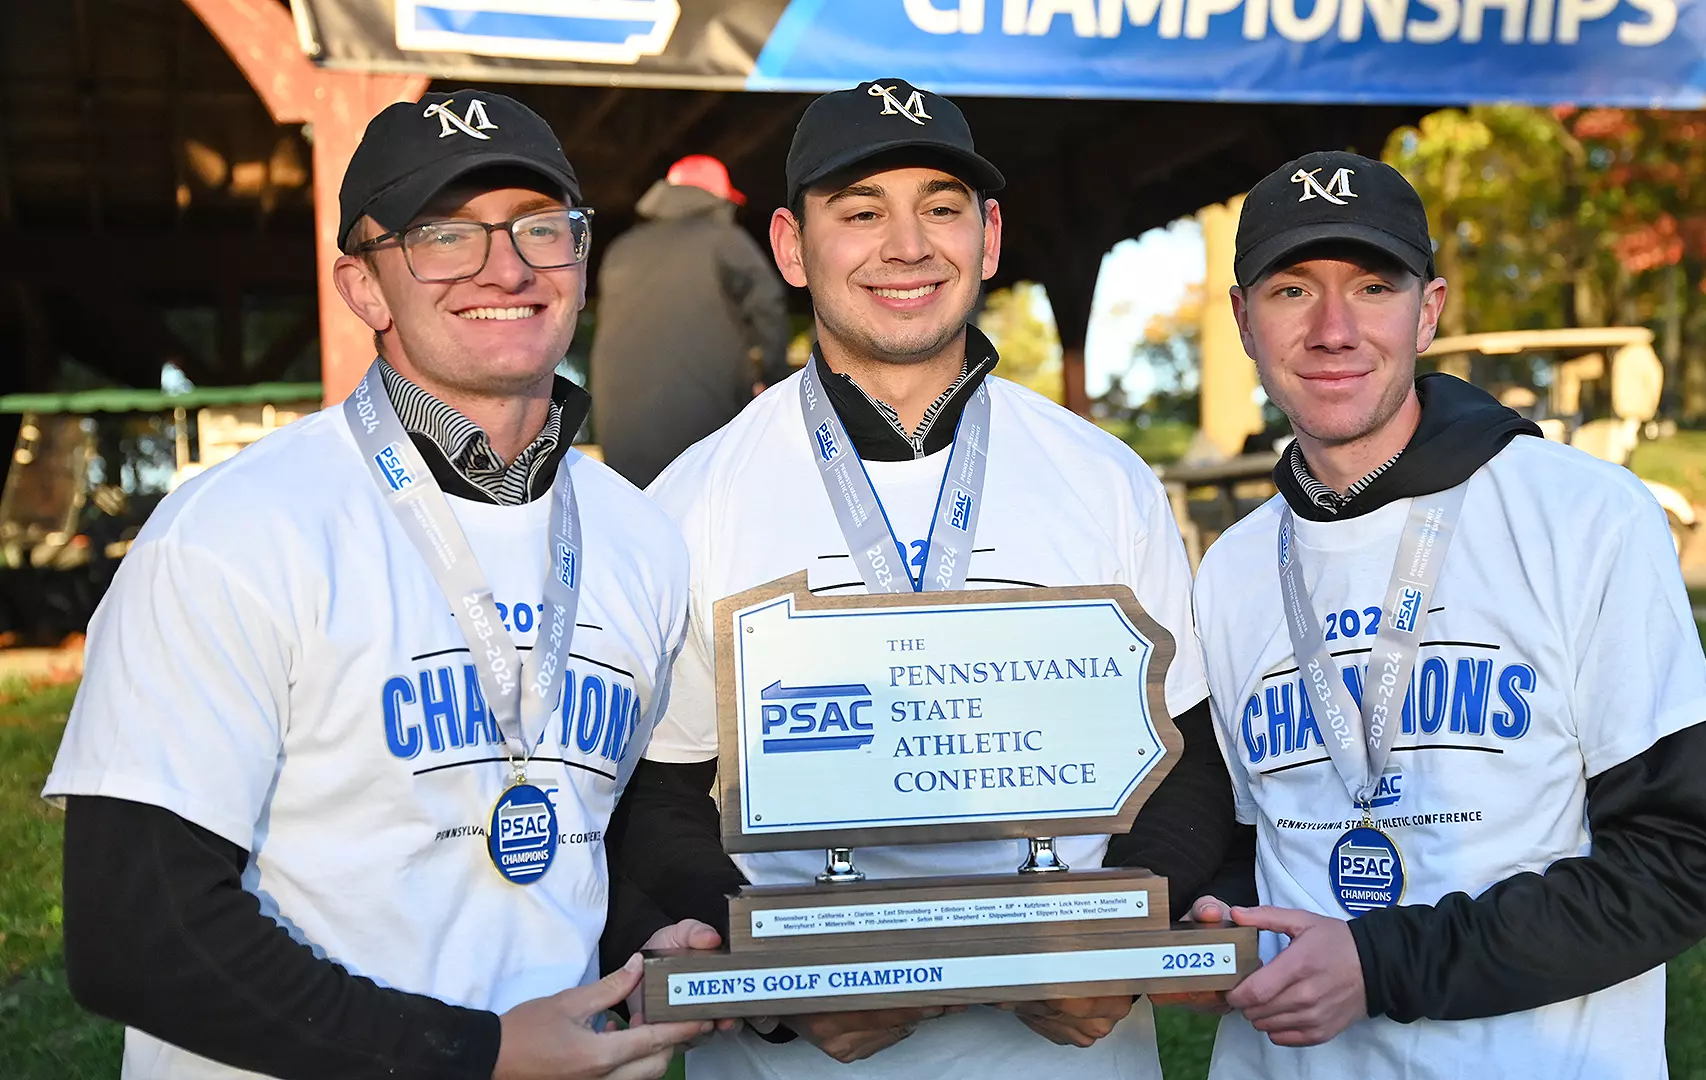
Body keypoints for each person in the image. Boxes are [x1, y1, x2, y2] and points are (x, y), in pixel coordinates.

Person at [44, 89, 718, 1080]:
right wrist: (475, 1056)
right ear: (362, 286)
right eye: (446, 235)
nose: (508, 265)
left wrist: (657, 929)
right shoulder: (236, 531)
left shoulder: (639, 537)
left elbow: (588, 826)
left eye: (542, 227)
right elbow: (139, 932)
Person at [599, 78, 1245, 1080]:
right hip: (812, 1059)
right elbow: (659, 799)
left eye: (940, 208)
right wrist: (787, 985)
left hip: (1068, 1054)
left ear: (988, 238)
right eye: (861, 212)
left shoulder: (1103, 476)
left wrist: (1112, 944)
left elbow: (1191, 757)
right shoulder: (696, 498)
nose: (907, 245)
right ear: (788, 247)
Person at [1181, 151, 1706, 1078]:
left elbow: (1674, 865)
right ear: (1243, 321)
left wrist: (1379, 963)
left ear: (1428, 310)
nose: (1332, 329)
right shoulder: (1232, 567)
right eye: (1290, 291)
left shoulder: (1588, 516)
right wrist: (1213, 930)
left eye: (1371, 286)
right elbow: (1246, 842)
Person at [589, 153, 791, 487]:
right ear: (718, 199)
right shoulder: (722, 239)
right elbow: (768, 301)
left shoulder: (621, 250)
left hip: (622, 438)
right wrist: (773, 379)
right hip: (705, 432)